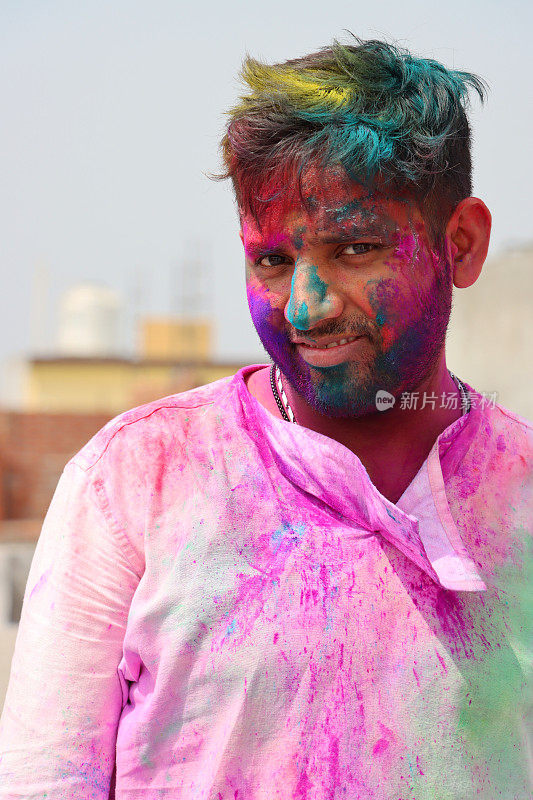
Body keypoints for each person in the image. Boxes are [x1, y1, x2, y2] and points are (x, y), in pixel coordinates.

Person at [0, 36, 531, 800]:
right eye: (273, 261)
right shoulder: (137, 482)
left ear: (461, 244)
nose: (306, 307)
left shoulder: (521, 494)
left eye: (354, 248)